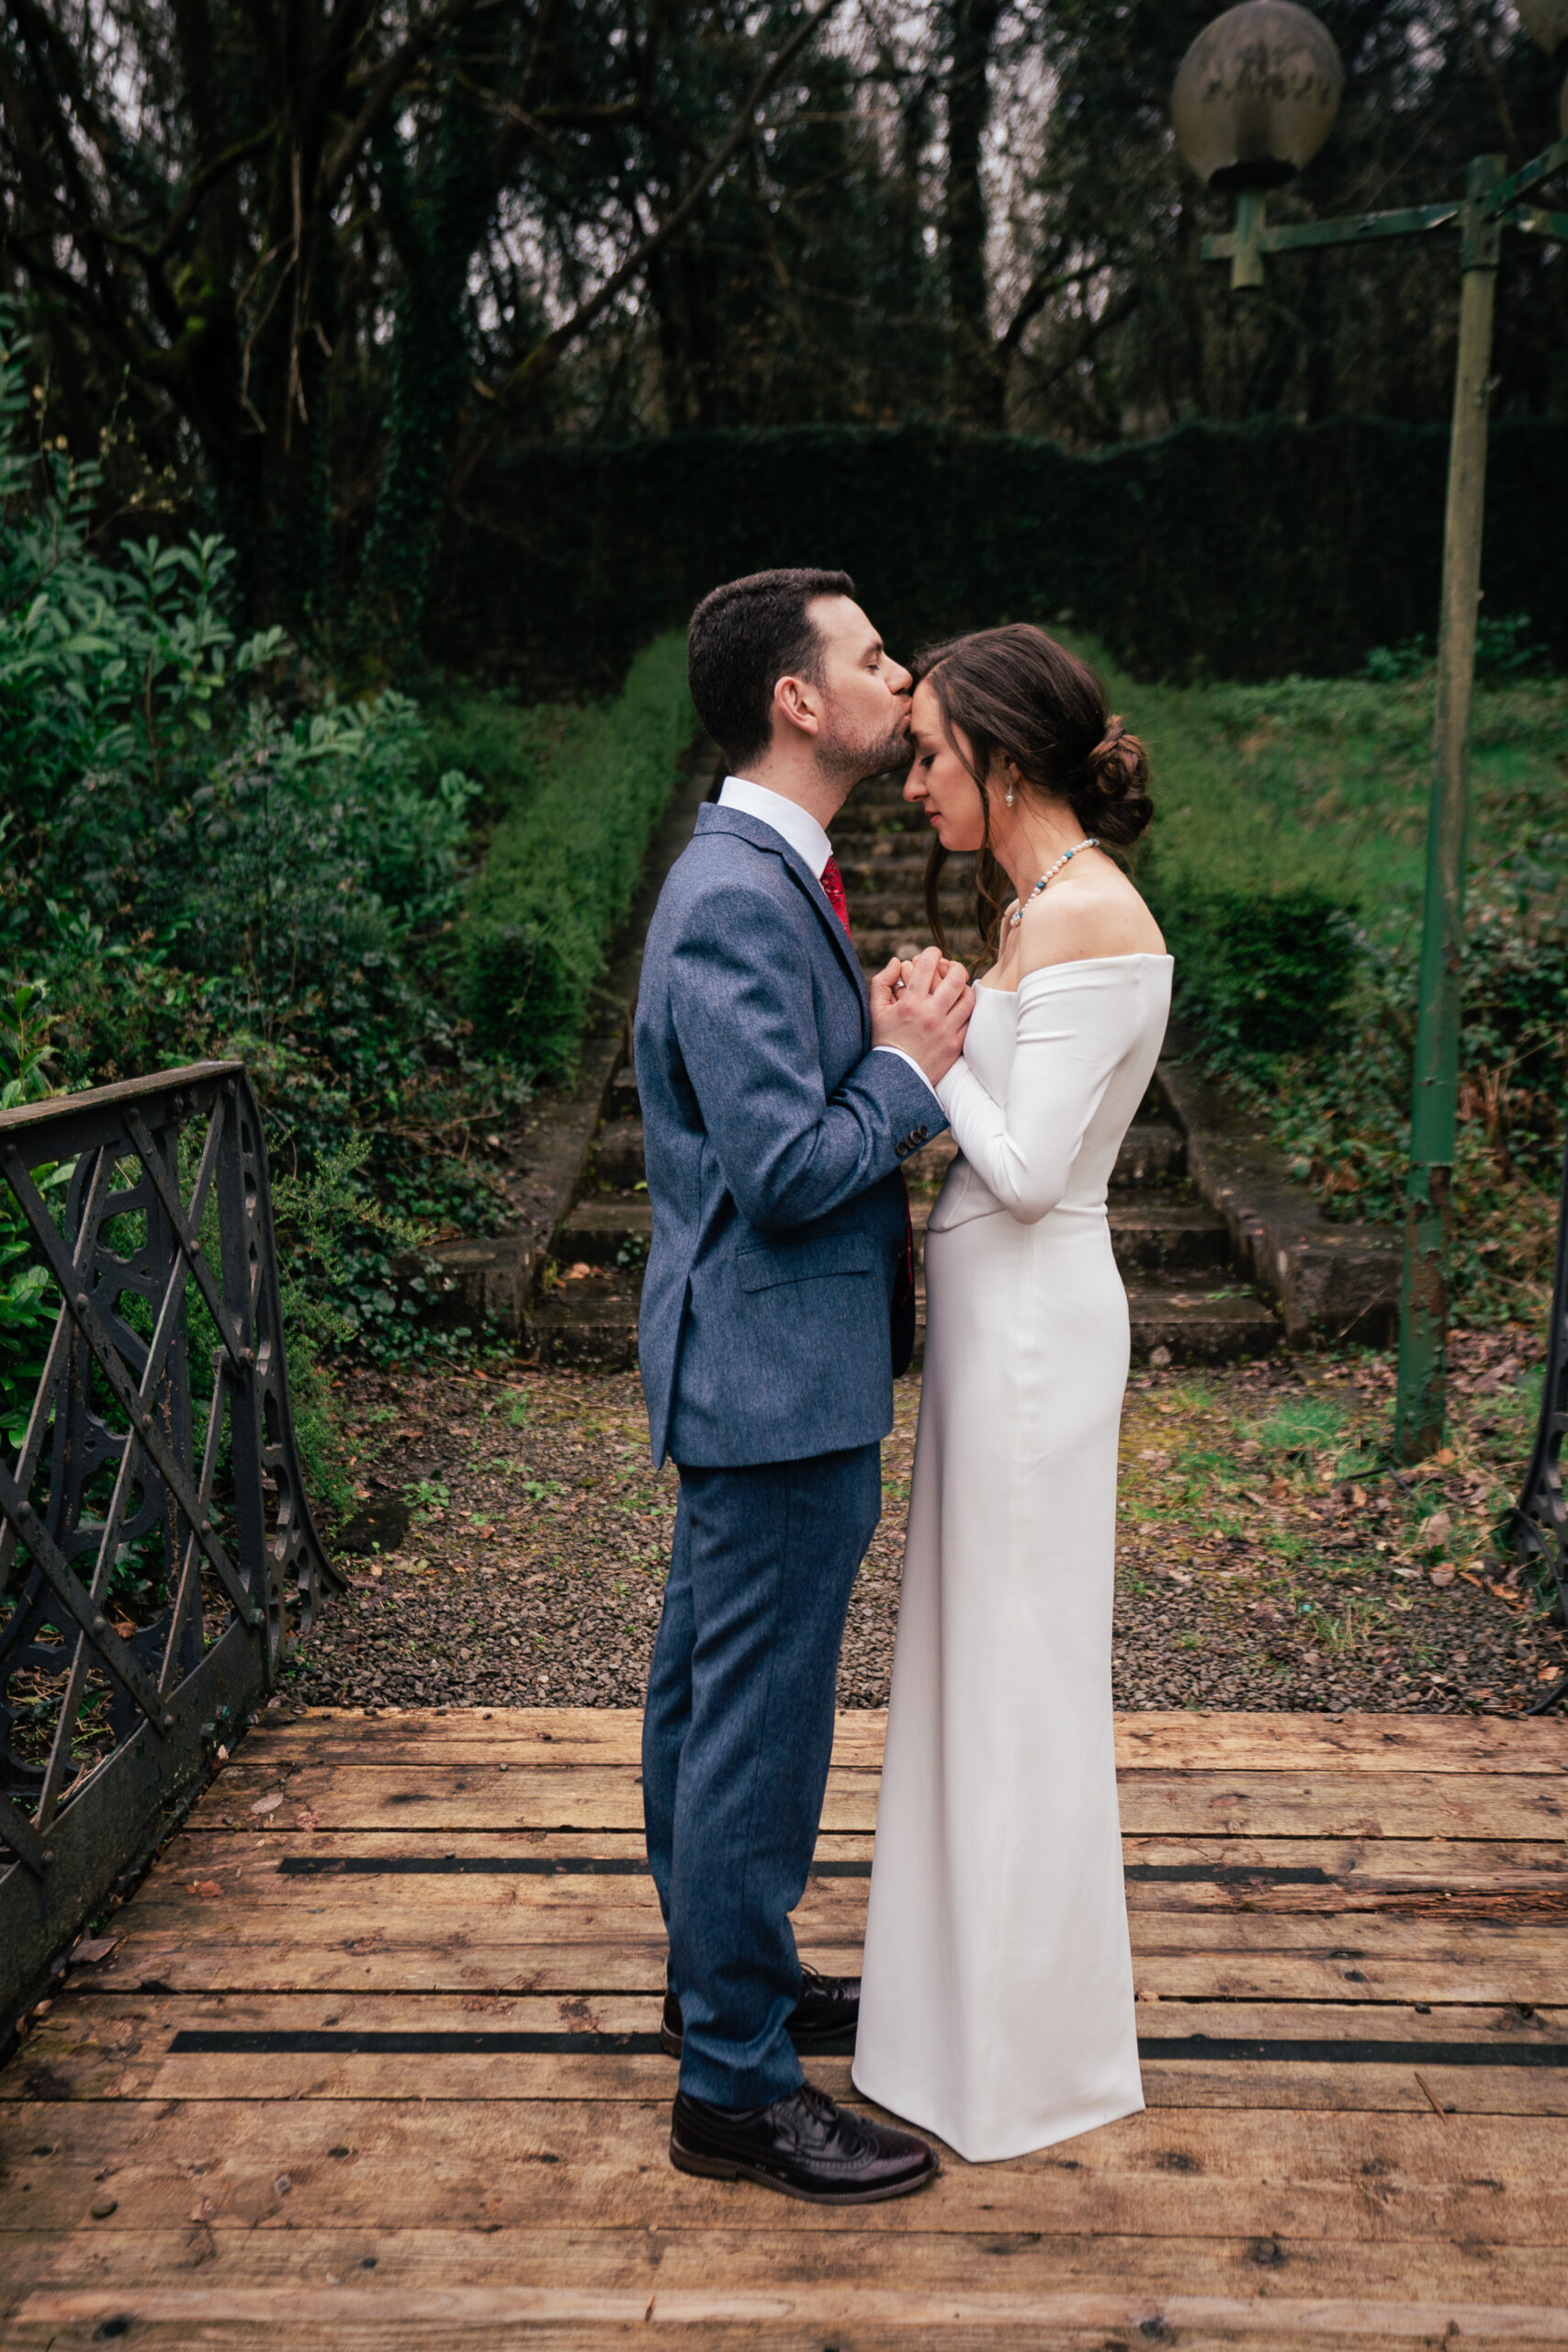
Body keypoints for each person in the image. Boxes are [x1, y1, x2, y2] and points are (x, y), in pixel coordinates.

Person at [634, 567, 974, 2203]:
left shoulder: (775, 876)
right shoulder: (732, 894)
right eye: (872, 656)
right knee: (755, 1734)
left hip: (773, 1363)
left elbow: (776, 1104)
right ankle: (735, 2092)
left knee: (708, 1703)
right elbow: (779, 1168)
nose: (899, 679)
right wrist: (909, 1075)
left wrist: (875, 1034)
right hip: (775, 1373)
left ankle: (732, 1987)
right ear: (797, 698)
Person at [852, 622, 1170, 2163]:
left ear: (1001, 751)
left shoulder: (1095, 917)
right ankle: (943, 2032)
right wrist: (957, 1023)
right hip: (999, 1339)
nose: (912, 783)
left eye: (928, 756)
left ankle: (1024, 2065)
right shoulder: (1041, 906)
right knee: (965, 1673)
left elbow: (1037, 1173)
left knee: (1019, 1688)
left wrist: (925, 1048)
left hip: (1039, 1333)